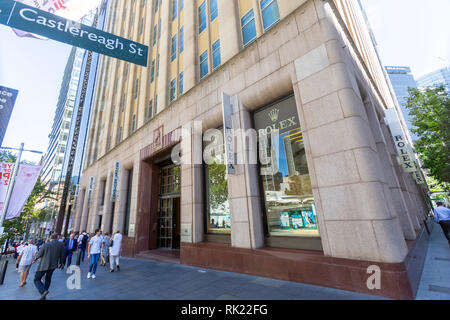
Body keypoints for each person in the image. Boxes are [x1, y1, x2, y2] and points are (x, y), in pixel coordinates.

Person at [32, 234, 65, 300]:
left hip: (43, 265)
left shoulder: (46, 244)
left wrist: (35, 259)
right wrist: (61, 263)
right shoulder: (61, 244)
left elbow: (39, 254)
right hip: (53, 265)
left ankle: (43, 291)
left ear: (50, 238)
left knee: (36, 279)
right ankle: (44, 295)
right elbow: (62, 255)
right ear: (57, 238)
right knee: (48, 279)